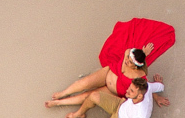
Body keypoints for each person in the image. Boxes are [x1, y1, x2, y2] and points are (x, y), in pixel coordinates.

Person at [46, 17, 175, 106]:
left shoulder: (139, 76)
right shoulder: (127, 52)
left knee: (88, 95)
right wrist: (143, 52)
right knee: (84, 82)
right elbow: (132, 52)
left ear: (136, 67)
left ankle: (58, 103)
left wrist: (157, 97)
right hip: (108, 72)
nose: (126, 61)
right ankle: (63, 93)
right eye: (128, 58)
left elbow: (145, 90)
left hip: (113, 90)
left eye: (130, 62)